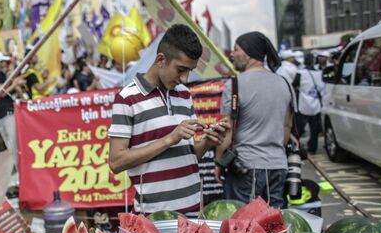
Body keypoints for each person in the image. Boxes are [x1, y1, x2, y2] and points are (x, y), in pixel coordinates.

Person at [108, 25, 229, 214]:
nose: (185, 78)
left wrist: (208, 142)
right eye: (181, 69)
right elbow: (116, 163)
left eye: (190, 70)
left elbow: (188, 156)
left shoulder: (184, 94)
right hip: (155, 218)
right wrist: (169, 139)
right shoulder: (127, 98)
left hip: (195, 212)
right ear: (161, 60)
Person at [215, 32, 294, 207]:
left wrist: (219, 162)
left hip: (246, 169)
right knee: (275, 226)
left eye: (236, 49)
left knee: (242, 227)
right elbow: (286, 127)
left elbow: (226, 130)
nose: (232, 54)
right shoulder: (285, 83)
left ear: (249, 53)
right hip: (279, 167)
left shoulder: (234, 85)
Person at [294, 54, 326, 155]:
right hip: (316, 104)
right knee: (314, 128)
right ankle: (313, 147)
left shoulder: (300, 73)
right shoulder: (319, 73)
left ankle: (295, 146)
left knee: (298, 128)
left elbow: (294, 85)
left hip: (303, 104)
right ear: (313, 61)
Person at [0, 51, 24, 120]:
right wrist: (14, 85)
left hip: (9, 105)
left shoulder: (3, 74)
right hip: (4, 108)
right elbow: (1, 93)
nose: (6, 62)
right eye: (4, 61)